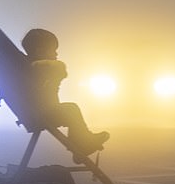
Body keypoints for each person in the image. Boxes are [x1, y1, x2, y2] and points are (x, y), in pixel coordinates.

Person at [21, 28, 109, 157]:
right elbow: (60, 71)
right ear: (39, 51)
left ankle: (82, 143)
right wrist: (55, 66)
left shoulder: (25, 67)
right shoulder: (40, 67)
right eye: (53, 50)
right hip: (45, 113)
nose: (56, 54)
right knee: (71, 109)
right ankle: (83, 143)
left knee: (70, 110)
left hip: (38, 112)